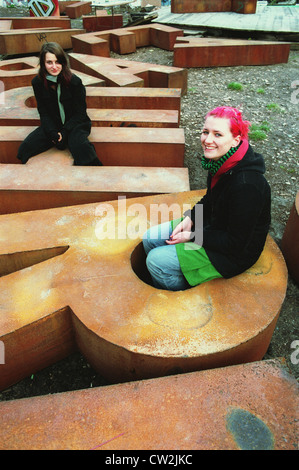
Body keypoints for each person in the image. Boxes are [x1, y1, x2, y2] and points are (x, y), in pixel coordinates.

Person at [142, 106, 271, 291]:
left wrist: (192, 236)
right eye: (205, 132)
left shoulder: (247, 185)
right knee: (150, 238)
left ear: (236, 140)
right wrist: (191, 218)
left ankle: (181, 293)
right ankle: (166, 274)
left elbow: (236, 243)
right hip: (212, 227)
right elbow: (210, 199)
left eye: (217, 134)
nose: (207, 140)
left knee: (156, 262)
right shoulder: (221, 161)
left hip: (230, 254)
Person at [17, 42, 102, 166]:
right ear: (43, 63)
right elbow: (44, 112)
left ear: (63, 62)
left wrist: (64, 132)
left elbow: (80, 114)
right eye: (49, 62)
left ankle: (97, 174)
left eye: (58, 62)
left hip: (75, 123)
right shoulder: (37, 83)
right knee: (26, 147)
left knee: (80, 146)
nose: (54, 66)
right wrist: (52, 132)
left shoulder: (75, 82)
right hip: (54, 123)